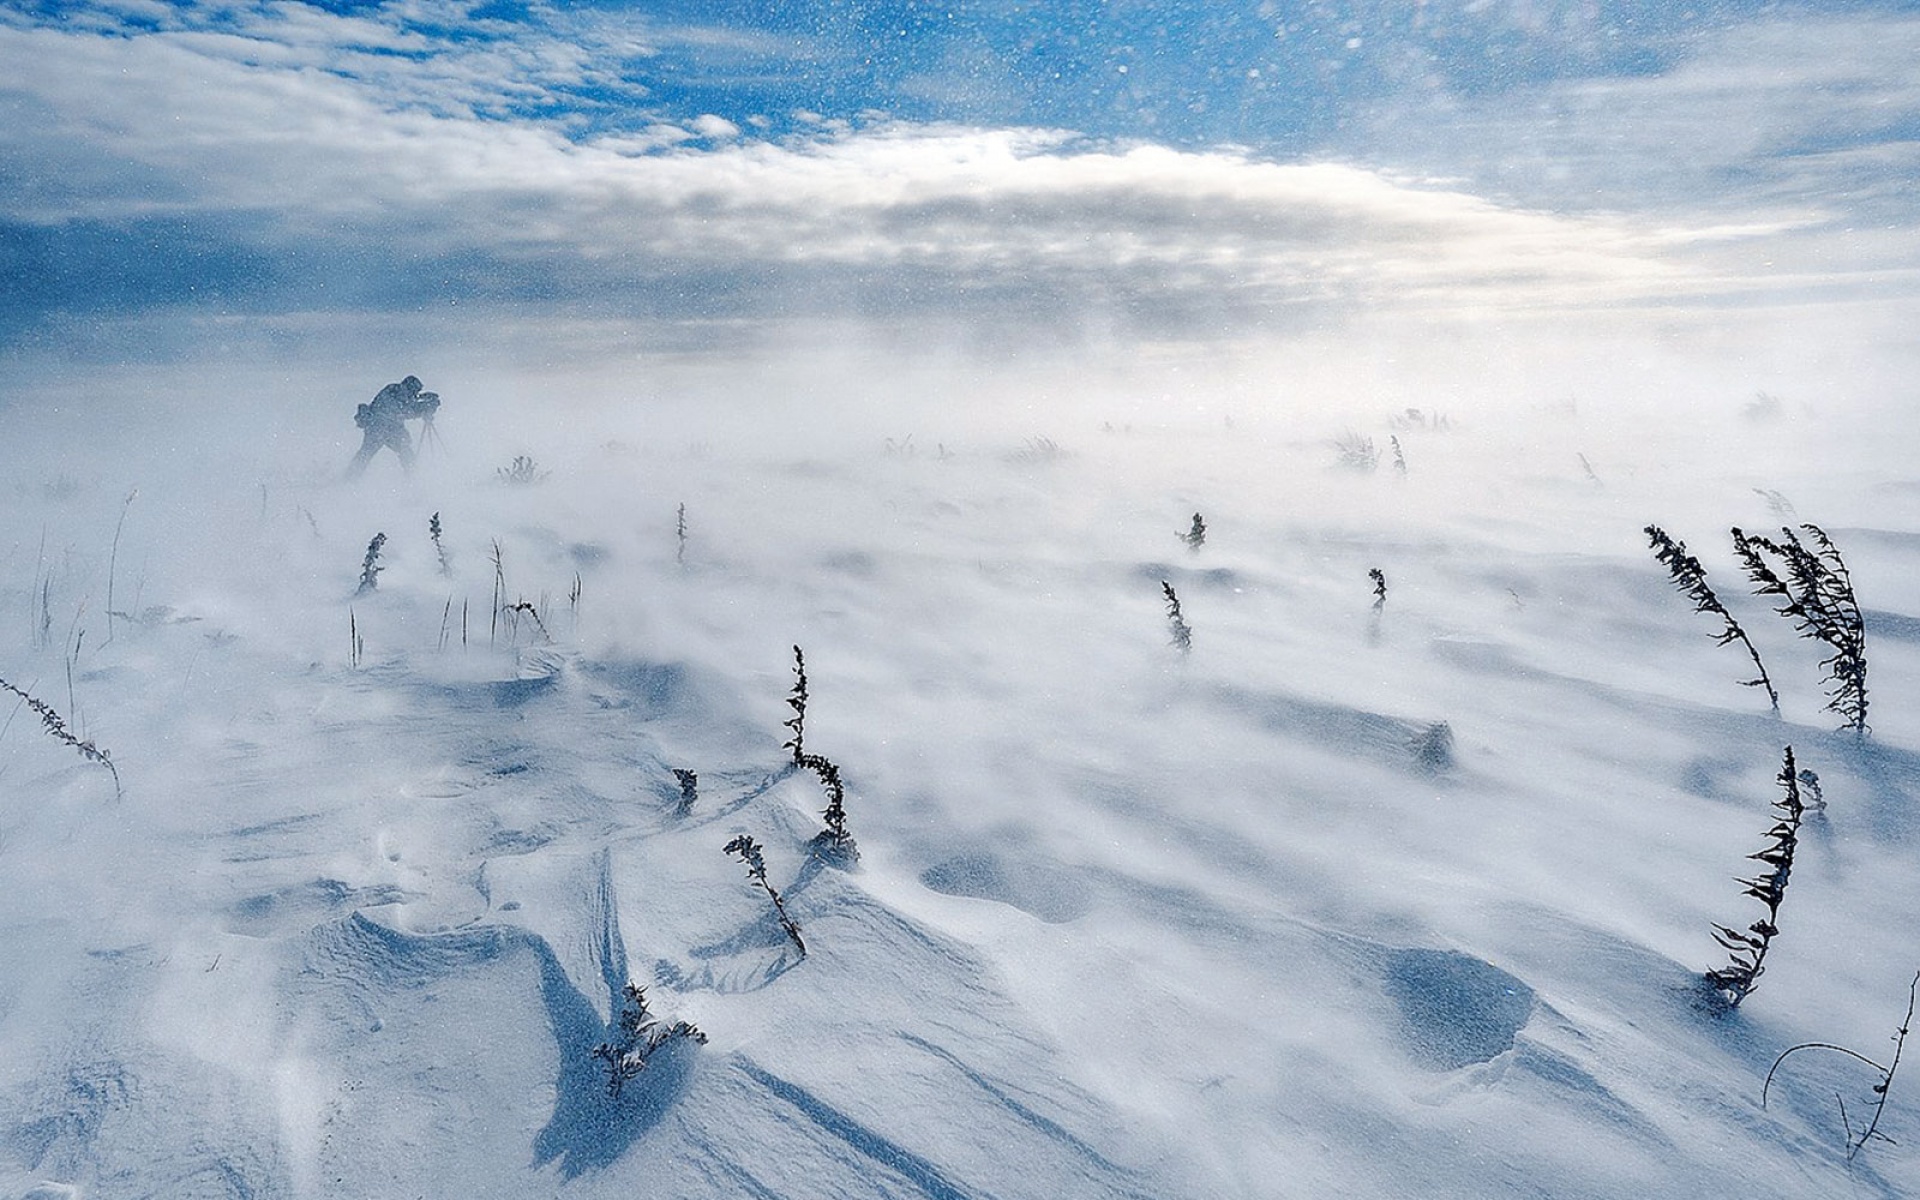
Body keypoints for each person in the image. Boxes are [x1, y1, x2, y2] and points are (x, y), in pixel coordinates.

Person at [346, 375, 440, 478]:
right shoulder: (400, 392)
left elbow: (406, 407)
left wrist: (423, 402)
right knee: (405, 452)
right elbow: (407, 410)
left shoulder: (393, 390)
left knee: (365, 454)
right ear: (411, 387)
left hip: (378, 427)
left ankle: (350, 477)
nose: (416, 394)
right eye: (416, 391)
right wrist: (426, 406)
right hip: (384, 428)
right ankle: (413, 477)